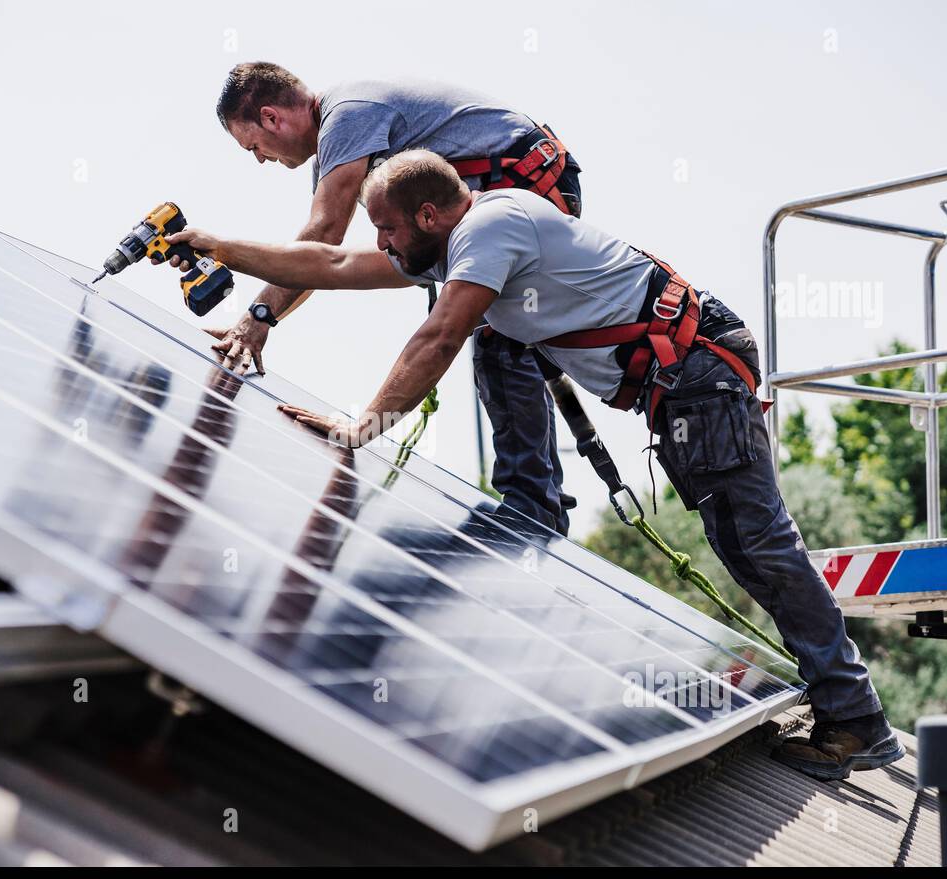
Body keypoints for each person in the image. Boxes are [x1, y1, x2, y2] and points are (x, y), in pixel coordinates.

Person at [165, 148, 905, 782]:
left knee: (759, 546)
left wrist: (364, 426)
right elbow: (331, 264)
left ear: (428, 216)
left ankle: (856, 720)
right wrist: (220, 247)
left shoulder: (491, 230)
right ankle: (845, 705)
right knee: (749, 546)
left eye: (388, 227)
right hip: (686, 383)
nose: (382, 244)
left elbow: (440, 336)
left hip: (696, 377)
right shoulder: (468, 236)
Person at [199, 62, 582, 534]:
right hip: (513, 189)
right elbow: (329, 264)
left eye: (253, 145)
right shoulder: (343, 136)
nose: (260, 159)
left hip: (524, 183)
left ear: (272, 117)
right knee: (500, 334)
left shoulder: (348, 115)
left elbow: (323, 238)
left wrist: (257, 319)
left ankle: (534, 509)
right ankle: (537, 499)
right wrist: (261, 316)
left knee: (496, 334)